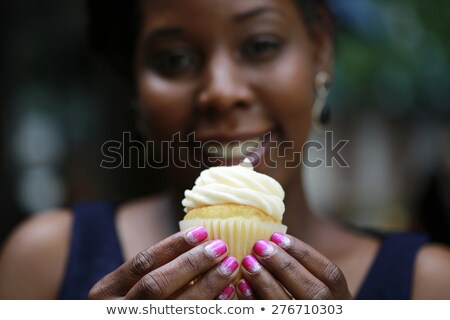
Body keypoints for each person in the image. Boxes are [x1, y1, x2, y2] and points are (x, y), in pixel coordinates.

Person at [1, 0, 450, 300]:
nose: (221, 91)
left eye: (259, 45)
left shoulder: (430, 285)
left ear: (320, 53)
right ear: (135, 87)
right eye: (173, 59)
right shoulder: (44, 261)